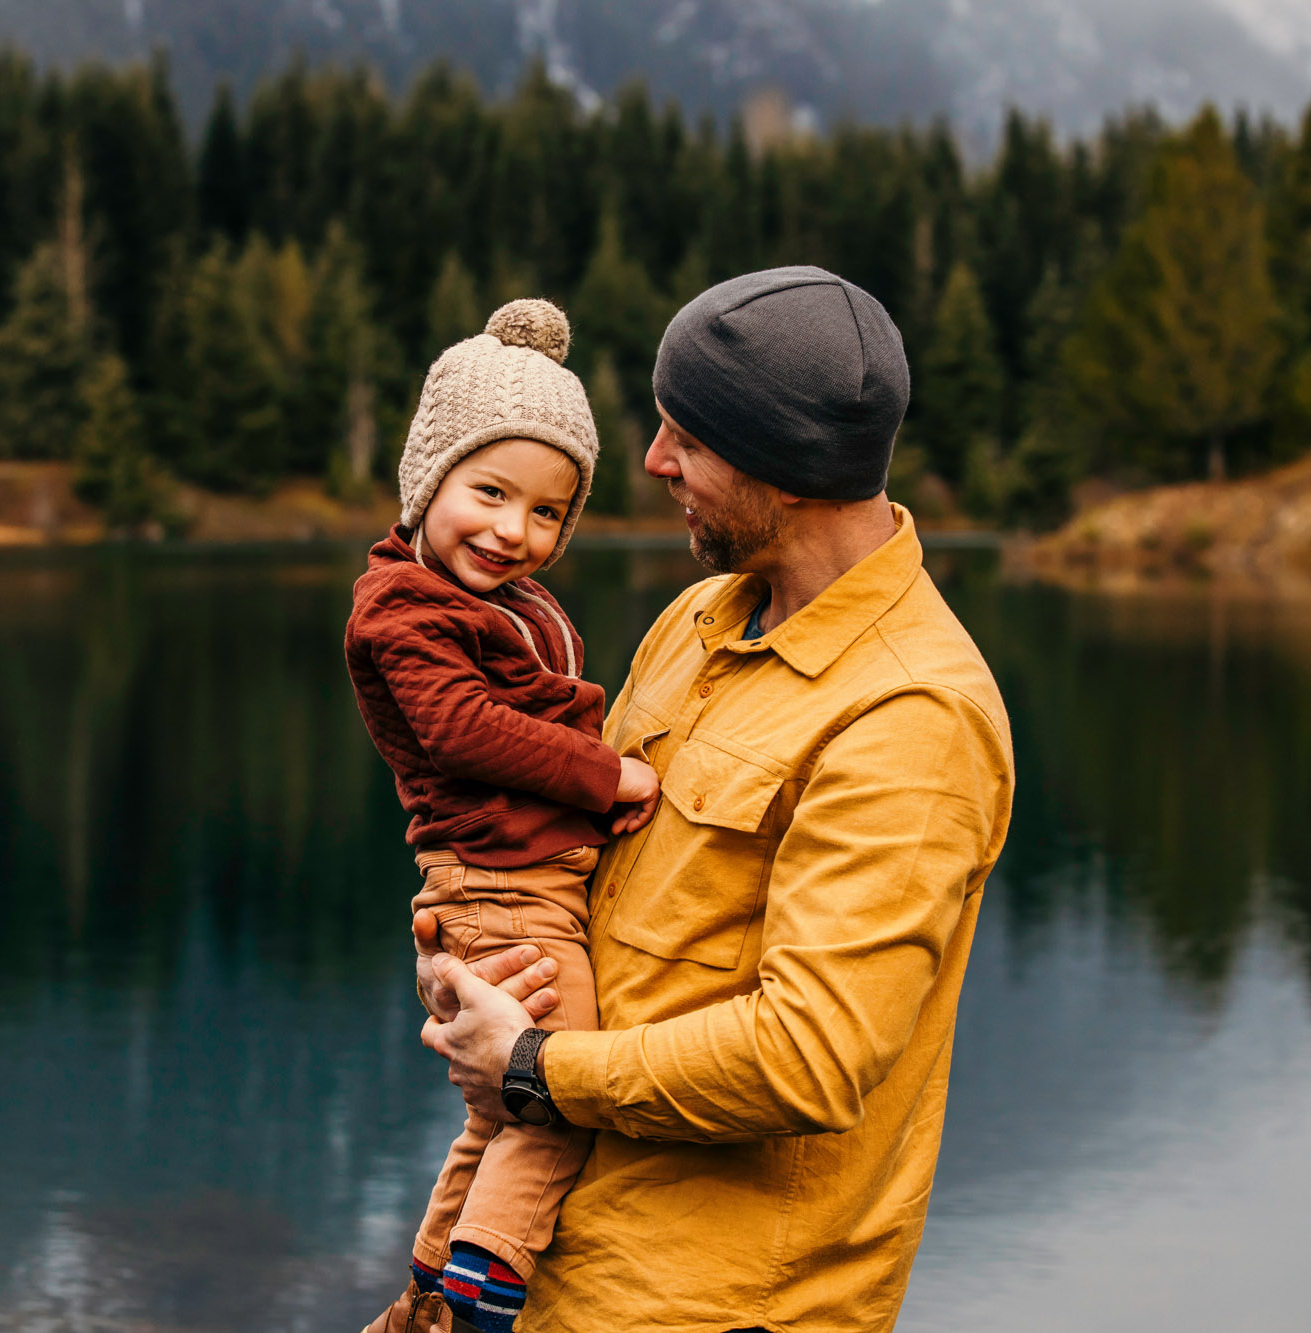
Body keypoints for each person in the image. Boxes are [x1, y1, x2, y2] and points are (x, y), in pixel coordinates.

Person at [413, 267, 1017, 1333]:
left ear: (781, 464)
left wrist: (530, 1065)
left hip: (709, 1307)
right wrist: (470, 948)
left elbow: (808, 1056)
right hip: (550, 1274)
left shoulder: (911, 712)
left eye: (683, 436)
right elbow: (578, 869)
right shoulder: (695, 621)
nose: (650, 463)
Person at [346, 298, 663, 1333]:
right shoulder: (403, 608)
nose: (511, 532)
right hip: (500, 894)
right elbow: (461, 730)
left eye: (544, 514)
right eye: (489, 492)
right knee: (554, 1099)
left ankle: (426, 1297)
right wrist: (602, 776)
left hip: (516, 883)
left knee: (497, 1110)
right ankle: (485, 1301)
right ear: (428, 479)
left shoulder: (486, 600)